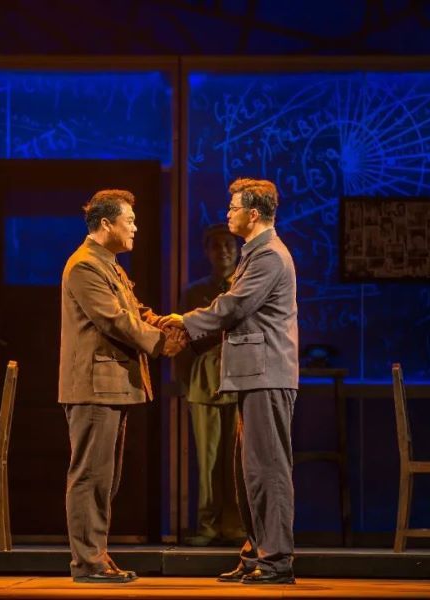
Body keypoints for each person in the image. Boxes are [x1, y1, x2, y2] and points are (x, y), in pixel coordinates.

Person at [162, 178, 298, 585]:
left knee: (268, 469)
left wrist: (184, 321)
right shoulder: (254, 254)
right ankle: (257, 552)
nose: (228, 214)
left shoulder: (269, 256)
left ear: (253, 214)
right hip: (252, 374)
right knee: (249, 471)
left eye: (233, 208)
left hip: (266, 374)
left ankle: (276, 561)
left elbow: (233, 307)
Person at [59, 189, 185, 584]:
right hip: (94, 387)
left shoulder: (108, 265)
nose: (135, 227)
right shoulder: (84, 266)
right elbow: (114, 319)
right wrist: (160, 342)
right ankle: (87, 563)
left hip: (110, 386)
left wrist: (164, 322)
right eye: (128, 220)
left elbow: (134, 310)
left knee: (105, 479)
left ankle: (95, 555)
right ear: (105, 223)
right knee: (91, 477)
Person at [174, 224, 246, 546]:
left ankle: (235, 523)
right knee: (207, 460)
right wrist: (185, 379)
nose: (224, 251)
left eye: (228, 244)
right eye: (216, 246)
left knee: (236, 459)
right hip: (204, 382)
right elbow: (182, 340)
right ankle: (208, 524)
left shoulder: (245, 288)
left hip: (239, 380)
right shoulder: (194, 292)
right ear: (207, 252)